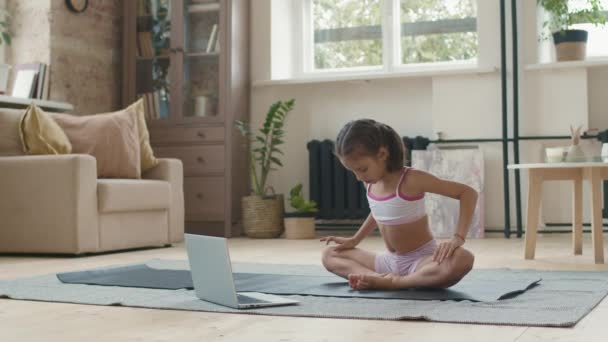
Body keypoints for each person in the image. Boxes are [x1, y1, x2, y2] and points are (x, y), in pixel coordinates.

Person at [320, 119, 477, 290]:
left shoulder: (412, 179)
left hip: (421, 261)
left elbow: (468, 193)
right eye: (353, 171)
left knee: (463, 259)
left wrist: (457, 238)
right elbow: (378, 211)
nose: (358, 177)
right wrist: (355, 239)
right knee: (330, 254)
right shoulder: (371, 182)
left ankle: (397, 282)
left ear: (382, 154)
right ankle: (376, 278)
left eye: (362, 169)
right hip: (387, 261)